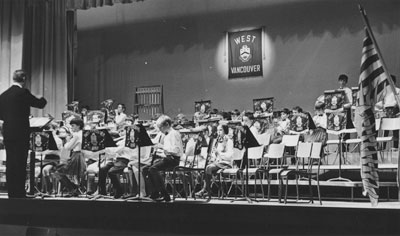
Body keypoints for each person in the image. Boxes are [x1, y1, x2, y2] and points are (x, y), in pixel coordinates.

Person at [0, 70, 47, 198]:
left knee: (10, 163)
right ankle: (20, 193)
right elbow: (40, 104)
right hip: (21, 133)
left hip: (8, 133)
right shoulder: (23, 92)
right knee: (20, 163)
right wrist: (41, 97)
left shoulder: (3, 95)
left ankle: (12, 193)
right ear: (24, 79)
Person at [147, 115, 183, 202]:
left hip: (173, 160)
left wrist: (162, 147)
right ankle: (155, 193)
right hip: (169, 158)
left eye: (161, 127)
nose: (160, 130)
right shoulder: (168, 135)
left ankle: (164, 194)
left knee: (153, 169)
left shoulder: (174, 134)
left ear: (167, 124)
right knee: (147, 169)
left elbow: (176, 150)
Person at [195, 124, 233, 201]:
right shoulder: (217, 141)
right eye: (218, 130)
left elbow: (229, 156)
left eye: (220, 130)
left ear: (225, 131)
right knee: (204, 167)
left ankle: (205, 190)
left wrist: (219, 153)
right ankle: (207, 190)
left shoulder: (229, 141)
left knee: (208, 167)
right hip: (217, 162)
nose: (218, 132)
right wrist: (211, 157)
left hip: (226, 162)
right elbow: (214, 154)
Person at [54, 118, 85, 197]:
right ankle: (74, 188)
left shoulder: (77, 135)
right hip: (79, 156)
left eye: (73, 126)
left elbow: (67, 147)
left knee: (58, 172)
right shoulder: (82, 134)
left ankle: (72, 188)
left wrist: (68, 140)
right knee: (60, 171)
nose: (72, 128)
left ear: (79, 126)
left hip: (76, 157)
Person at [376, 75, 400, 149]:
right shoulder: (385, 92)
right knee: (385, 129)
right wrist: (376, 106)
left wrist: (395, 107)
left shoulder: (398, 90)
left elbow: (398, 101)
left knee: (395, 129)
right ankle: (383, 147)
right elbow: (381, 103)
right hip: (386, 110)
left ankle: (395, 146)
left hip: (394, 110)